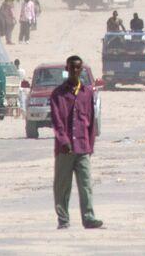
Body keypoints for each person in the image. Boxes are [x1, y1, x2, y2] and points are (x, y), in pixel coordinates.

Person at [49, 55, 104, 229]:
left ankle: (88, 218)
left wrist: (90, 146)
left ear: (81, 70)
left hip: (83, 147)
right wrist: (63, 140)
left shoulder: (87, 93)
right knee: (62, 187)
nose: (74, 70)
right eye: (71, 67)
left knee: (86, 185)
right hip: (65, 150)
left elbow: (91, 122)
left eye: (77, 68)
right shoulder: (58, 94)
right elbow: (57, 122)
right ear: (67, 69)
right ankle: (63, 220)